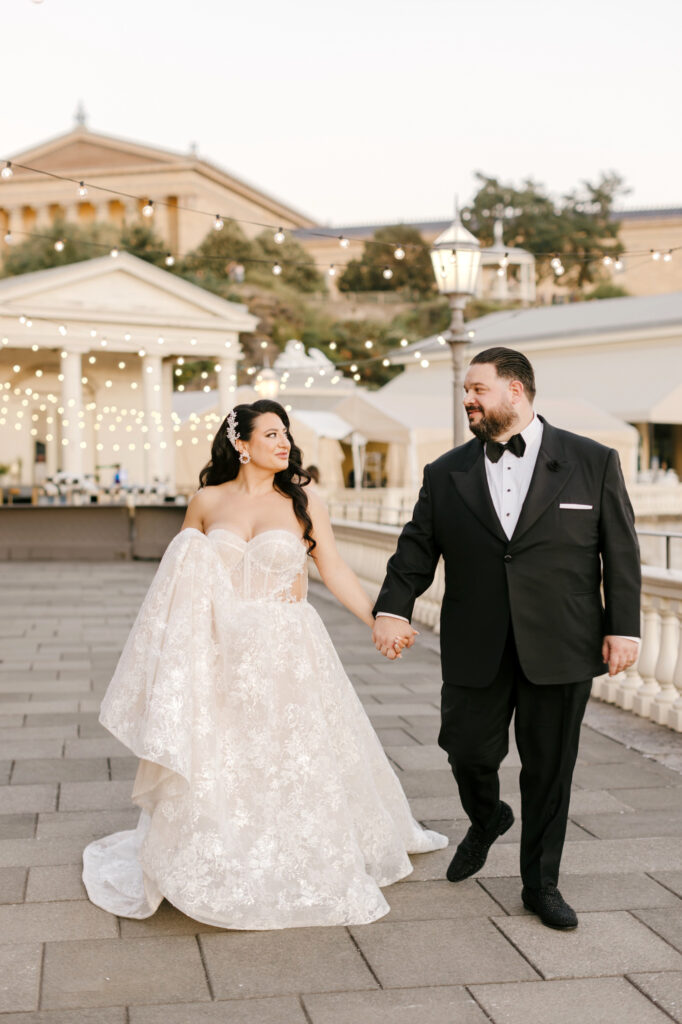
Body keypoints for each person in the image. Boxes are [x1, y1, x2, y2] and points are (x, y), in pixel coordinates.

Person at [82, 399, 446, 929]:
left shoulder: (302, 501)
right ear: (241, 444)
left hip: (287, 646)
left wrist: (378, 618)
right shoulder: (205, 501)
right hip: (221, 649)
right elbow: (179, 586)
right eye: (271, 434)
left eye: (286, 434)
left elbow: (335, 566)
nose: (283, 442)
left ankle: (301, 846)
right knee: (222, 751)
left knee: (292, 751)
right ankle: (213, 851)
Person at [372, 347, 640, 930]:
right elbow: (417, 548)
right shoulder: (446, 473)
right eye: (466, 391)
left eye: (478, 389)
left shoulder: (592, 460)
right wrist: (393, 609)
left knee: (549, 769)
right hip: (477, 641)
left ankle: (540, 885)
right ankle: (488, 814)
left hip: (564, 643)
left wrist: (623, 626)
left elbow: (620, 550)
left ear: (515, 391)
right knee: (465, 748)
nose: (467, 399)